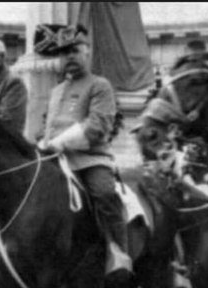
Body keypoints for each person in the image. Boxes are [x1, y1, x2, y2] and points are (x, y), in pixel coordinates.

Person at [38, 25, 131, 274]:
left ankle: (118, 256)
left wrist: (60, 142)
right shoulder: (56, 91)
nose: (69, 56)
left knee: (103, 195)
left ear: (86, 52)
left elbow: (97, 126)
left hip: (90, 160)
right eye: (64, 52)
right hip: (56, 160)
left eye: (74, 50)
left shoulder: (100, 85)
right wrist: (41, 144)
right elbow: (45, 127)